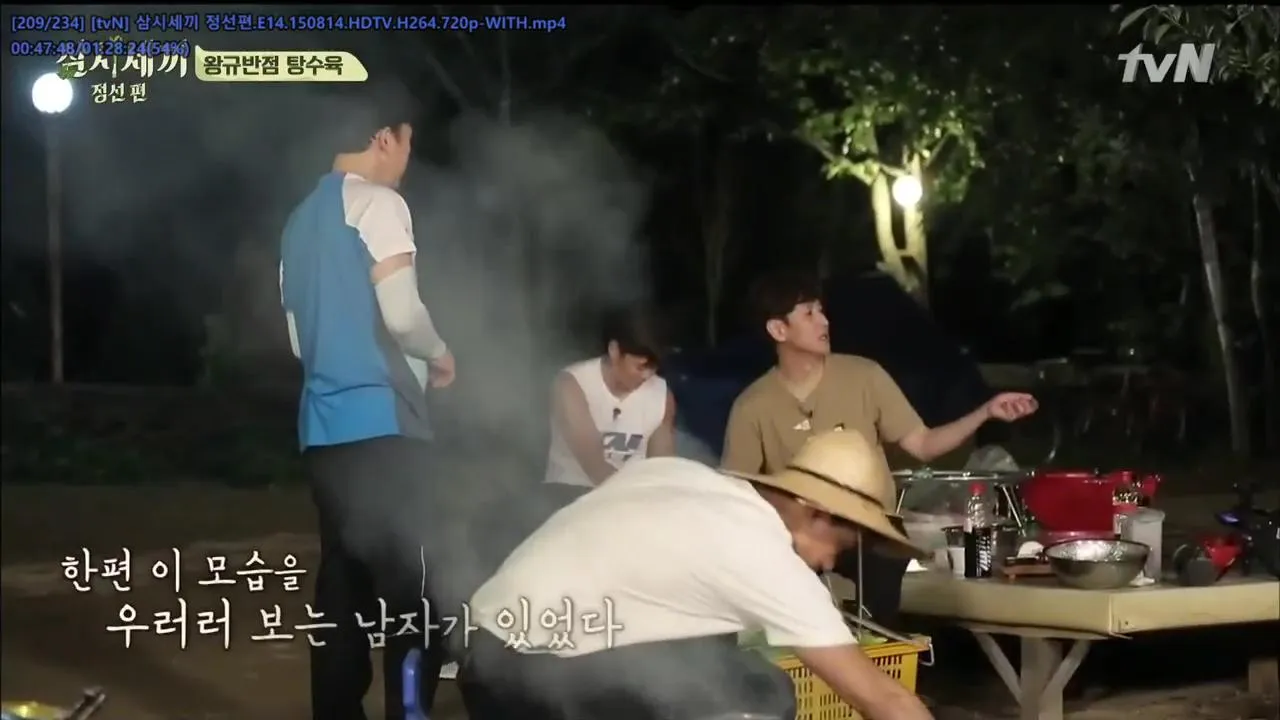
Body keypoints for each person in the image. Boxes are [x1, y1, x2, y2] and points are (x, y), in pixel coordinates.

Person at [459, 430, 937, 720]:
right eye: (839, 546)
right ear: (817, 513)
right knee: (754, 698)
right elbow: (882, 698)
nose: (830, 564)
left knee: (745, 676)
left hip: (486, 650)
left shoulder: (678, 475)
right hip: (534, 678)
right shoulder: (761, 553)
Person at [721, 270, 1037, 628]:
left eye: (822, 311)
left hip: (869, 535)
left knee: (885, 577)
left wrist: (985, 412)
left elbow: (923, 443)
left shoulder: (865, 376)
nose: (824, 321)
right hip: (804, 542)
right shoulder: (753, 405)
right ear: (778, 330)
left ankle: (882, 652)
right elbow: (737, 492)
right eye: (808, 314)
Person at [279, 98, 456, 720]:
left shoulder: (298, 221)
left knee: (342, 588)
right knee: (413, 591)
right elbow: (403, 316)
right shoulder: (379, 204)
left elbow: (298, 340)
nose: (406, 160)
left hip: (323, 433)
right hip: (387, 426)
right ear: (384, 139)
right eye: (407, 144)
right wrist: (439, 354)